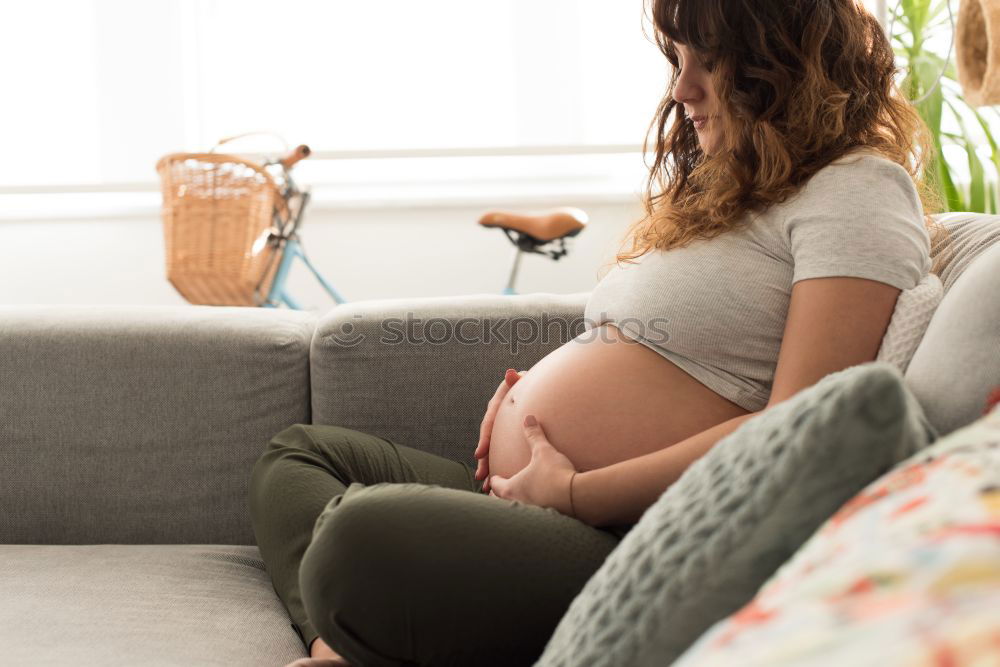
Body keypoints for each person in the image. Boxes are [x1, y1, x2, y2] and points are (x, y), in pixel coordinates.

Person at [249, 1, 948, 665]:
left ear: (780, 63)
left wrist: (578, 491)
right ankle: (338, 645)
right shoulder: (735, 188)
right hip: (541, 505)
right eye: (677, 60)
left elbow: (798, 427)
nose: (682, 89)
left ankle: (360, 621)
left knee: (355, 538)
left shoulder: (856, 190)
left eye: (709, 61)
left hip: (626, 541)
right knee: (299, 455)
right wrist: (525, 409)